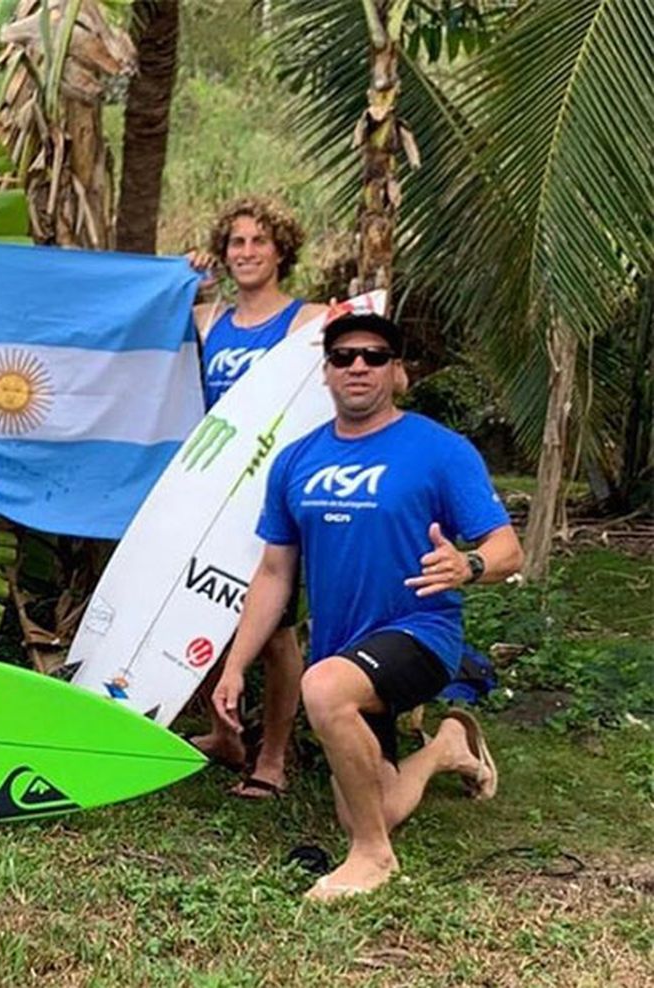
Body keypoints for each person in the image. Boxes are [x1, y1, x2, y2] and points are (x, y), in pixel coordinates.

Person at [212, 312, 522, 899]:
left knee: (324, 688)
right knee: (366, 805)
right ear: (326, 373)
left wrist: (469, 565)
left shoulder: (439, 451)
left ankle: (373, 859)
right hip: (342, 649)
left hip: (420, 633)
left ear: (397, 372)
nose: (358, 365)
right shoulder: (295, 462)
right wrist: (233, 668)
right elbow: (275, 572)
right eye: (344, 356)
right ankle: (447, 748)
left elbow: (508, 549)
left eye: (375, 356)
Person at [182, 197, 328, 799]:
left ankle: (272, 757)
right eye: (235, 243)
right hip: (215, 490)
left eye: (258, 243)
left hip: (280, 492)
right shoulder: (206, 320)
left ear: (280, 253)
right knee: (209, 605)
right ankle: (225, 735)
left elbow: (366, 353)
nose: (245, 252)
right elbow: (137, 316)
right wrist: (181, 274)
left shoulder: (308, 320)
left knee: (272, 632)